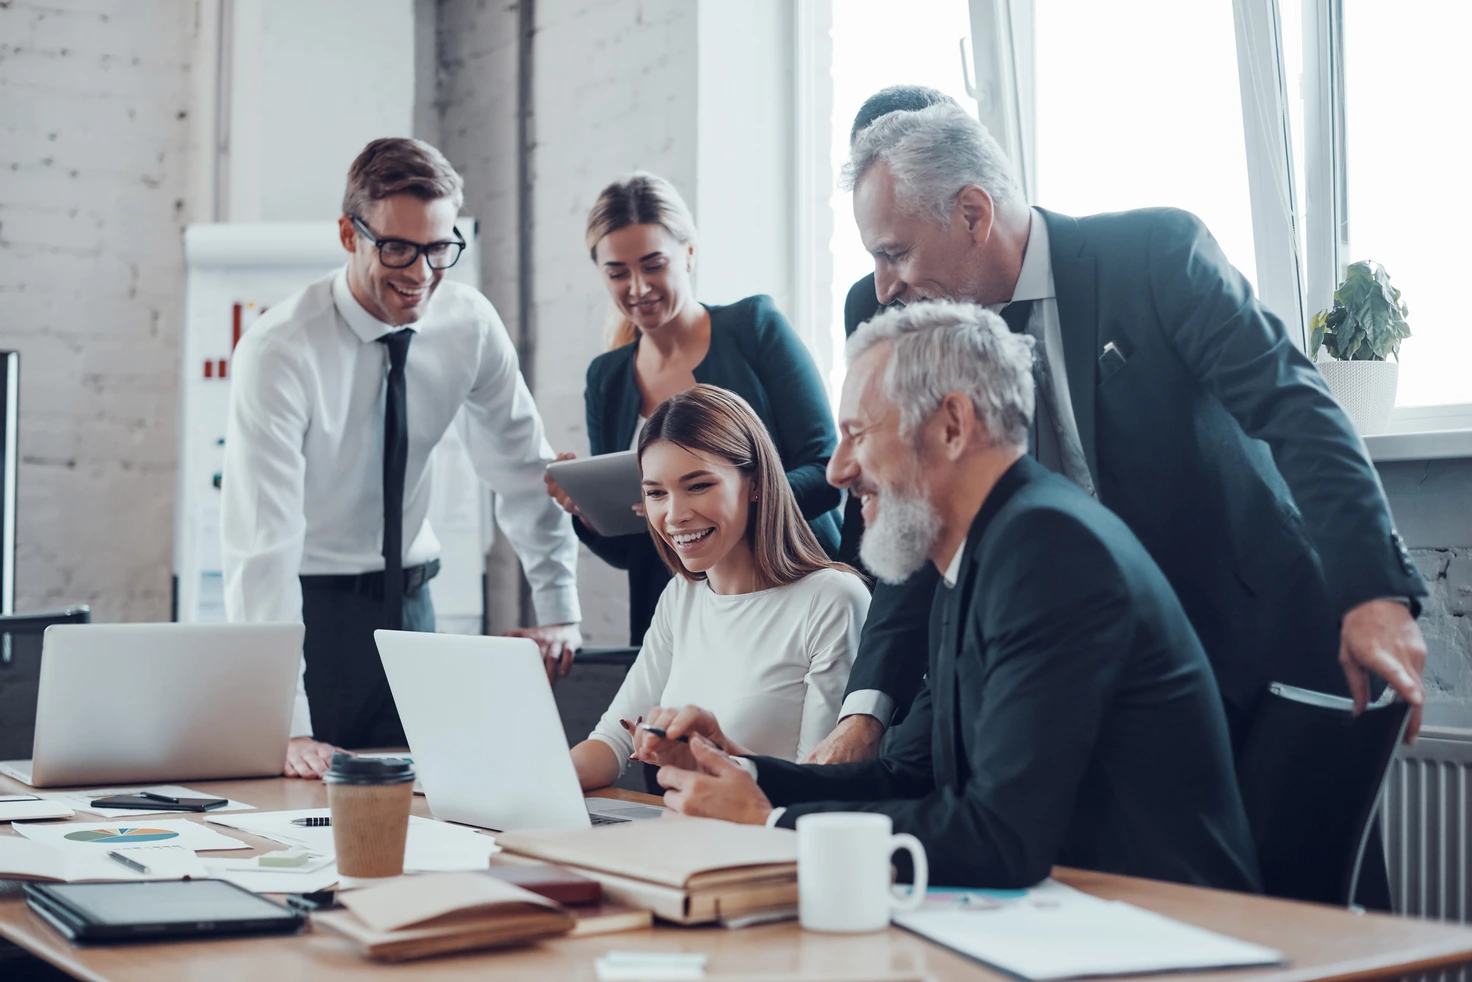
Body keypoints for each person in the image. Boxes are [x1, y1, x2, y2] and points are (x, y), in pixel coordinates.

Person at [809, 100, 1429, 791]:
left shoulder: (1154, 258)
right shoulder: (897, 320)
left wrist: (1373, 592)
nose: (885, 285)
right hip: (1068, 672)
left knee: (1300, 888)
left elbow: (1296, 408)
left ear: (974, 215)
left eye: (894, 253)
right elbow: (911, 510)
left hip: (1248, 637)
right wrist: (866, 710)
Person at [645, 304, 1261, 892]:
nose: (835, 470)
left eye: (857, 434)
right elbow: (909, 776)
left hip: (1159, 925)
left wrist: (768, 824)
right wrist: (743, 774)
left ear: (951, 426)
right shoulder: (976, 552)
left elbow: (1000, 836)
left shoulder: (1050, 551)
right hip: (1063, 909)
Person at [223, 138, 582, 779]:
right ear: (347, 233)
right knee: (305, 815)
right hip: (313, 618)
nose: (419, 274)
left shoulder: (468, 323)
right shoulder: (280, 350)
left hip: (414, 614)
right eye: (396, 248)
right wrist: (286, 722)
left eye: (438, 249)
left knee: (428, 807)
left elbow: (525, 470)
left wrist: (558, 610)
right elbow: (262, 545)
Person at [544, 173, 843, 646]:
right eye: (618, 272)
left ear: (688, 253)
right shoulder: (607, 378)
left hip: (788, 591)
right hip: (681, 621)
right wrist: (585, 513)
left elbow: (827, 470)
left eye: (653, 265)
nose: (638, 288)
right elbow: (635, 549)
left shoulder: (753, 327)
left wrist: (724, 504)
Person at [569, 385, 870, 791]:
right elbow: (612, 740)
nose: (674, 516)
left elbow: (819, 784)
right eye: (656, 493)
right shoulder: (682, 597)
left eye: (698, 486)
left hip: (766, 845)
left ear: (756, 483)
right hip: (680, 838)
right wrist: (528, 782)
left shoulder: (832, 600)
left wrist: (714, 758)